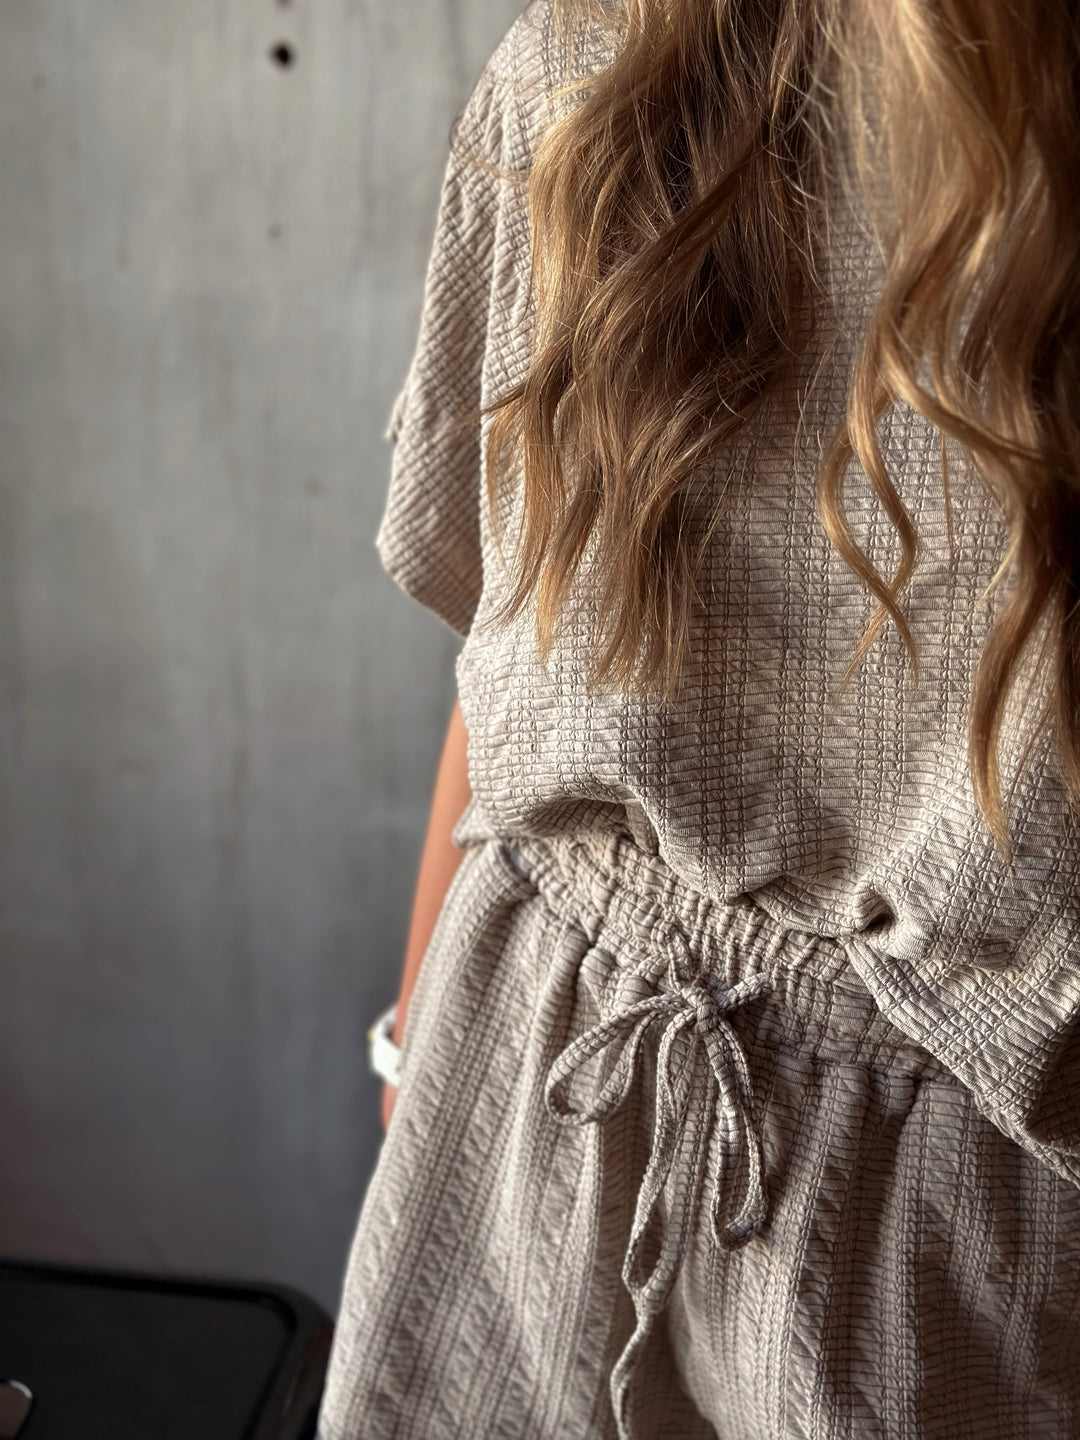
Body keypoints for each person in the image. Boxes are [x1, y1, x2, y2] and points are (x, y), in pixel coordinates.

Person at [318, 0, 1080, 1434]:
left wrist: (424, 1053)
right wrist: (419, 1046)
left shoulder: (594, 53)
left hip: (896, 1211)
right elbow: (507, 637)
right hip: (542, 1100)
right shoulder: (595, 63)